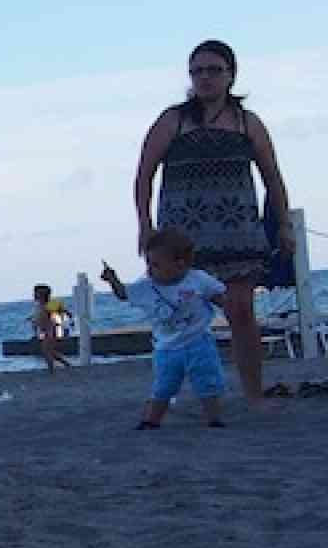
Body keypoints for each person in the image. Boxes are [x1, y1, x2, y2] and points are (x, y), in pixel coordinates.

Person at [132, 39, 293, 404]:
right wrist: (144, 225)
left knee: (240, 310)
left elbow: (272, 177)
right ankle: (173, 392)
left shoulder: (247, 123)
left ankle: (253, 394)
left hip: (238, 233)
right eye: (197, 71)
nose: (204, 78)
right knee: (178, 314)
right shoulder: (173, 120)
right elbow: (144, 174)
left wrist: (282, 224)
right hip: (180, 237)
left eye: (213, 70)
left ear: (230, 75)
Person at [101, 227, 228, 429]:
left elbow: (218, 296)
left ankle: (213, 417)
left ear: (180, 264)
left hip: (199, 341)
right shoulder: (146, 286)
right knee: (163, 386)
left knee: (207, 381)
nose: (150, 269)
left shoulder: (197, 279)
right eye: (149, 264)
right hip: (166, 347)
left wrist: (232, 311)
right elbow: (124, 294)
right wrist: (113, 280)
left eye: (157, 264)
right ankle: (152, 419)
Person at [31, 284, 72, 373]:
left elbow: (52, 316)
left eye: (36, 294)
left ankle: (52, 369)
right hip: (44, 331)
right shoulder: (40, 306)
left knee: (46, 351)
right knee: (50, 351)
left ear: (41, 296)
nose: (33, 295)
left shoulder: (47, 306)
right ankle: (65, 364)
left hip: (49, 331)